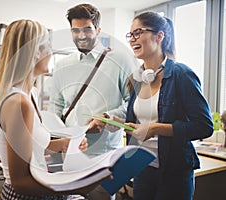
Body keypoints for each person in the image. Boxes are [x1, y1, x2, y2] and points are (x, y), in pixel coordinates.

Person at [0, 19, 104, 200]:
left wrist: (65, 143)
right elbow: (20, 182)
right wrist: (74, 187)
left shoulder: (31, 93)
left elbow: (32, 147)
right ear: (34, 53)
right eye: (48, 46)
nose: (51, 52)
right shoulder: (18, 103)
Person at [48, 3, 138, 199]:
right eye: (75, 30)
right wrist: (57, 141)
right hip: (68, 156)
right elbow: (55, 106)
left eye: (87, 29)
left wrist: (107, 118)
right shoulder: (63, 65)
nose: (81, 35)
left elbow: (133, 103)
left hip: (104, 158)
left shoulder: (120, 59)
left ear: (98, 29)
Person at [121, 11, 213, 200]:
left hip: (173, 172)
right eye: (130, 35)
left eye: (138, 32)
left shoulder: (182, 75)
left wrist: (155, 129)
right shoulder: (136, 80)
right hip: (142, 168)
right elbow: (142, 121)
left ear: (160, 36)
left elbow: (204, 126)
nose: (132, 39)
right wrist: (118, 122)